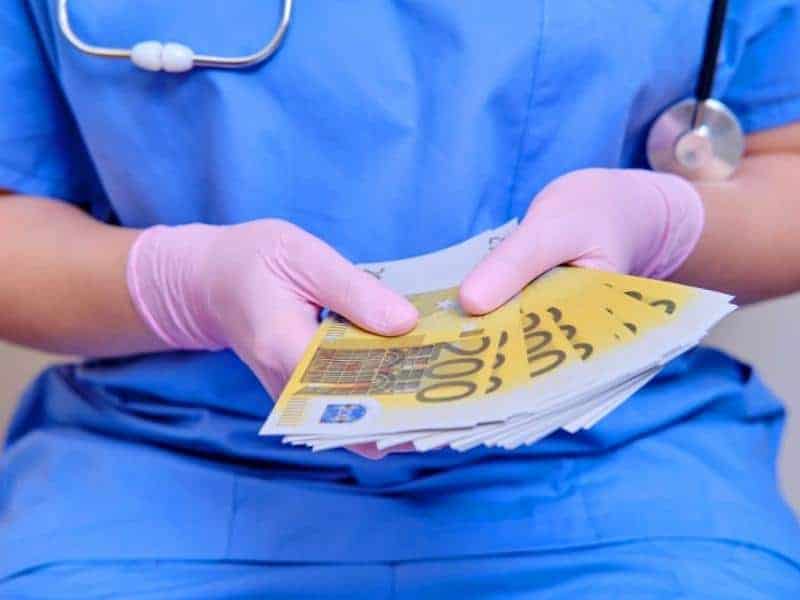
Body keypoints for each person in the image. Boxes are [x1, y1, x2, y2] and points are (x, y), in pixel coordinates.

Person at [1, 1, 800, 597]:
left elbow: (783, 161)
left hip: (620, 467)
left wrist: (666, 224)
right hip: (162, 468)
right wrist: (181, 283)